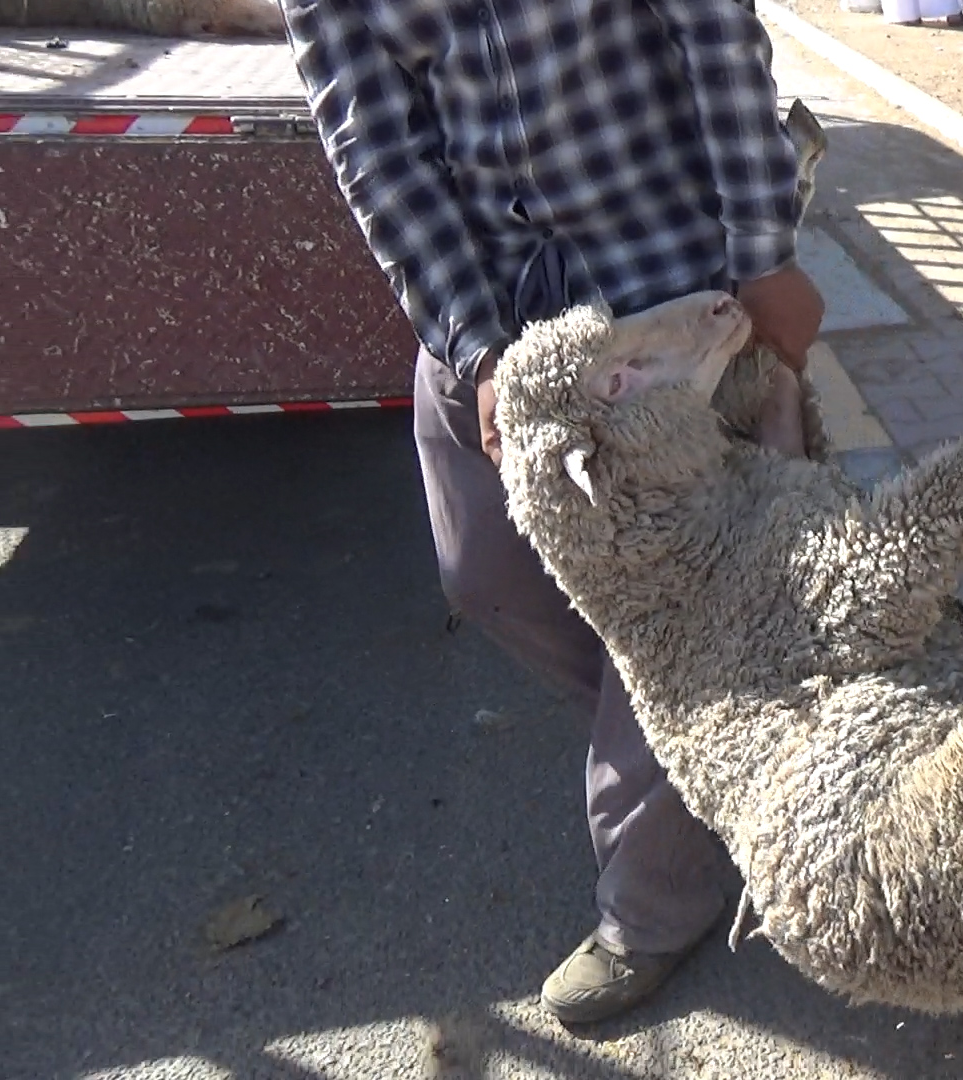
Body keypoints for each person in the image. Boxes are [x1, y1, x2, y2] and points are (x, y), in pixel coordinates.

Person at [281, 0, 824, 1024]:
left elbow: (713, 31)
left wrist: (765, 253)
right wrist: (477, 350)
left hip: (663, 279)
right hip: (494, 302)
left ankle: (654, 905)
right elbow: (374, 143)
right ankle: (703, 735)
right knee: (482, 572)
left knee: (666, 604)